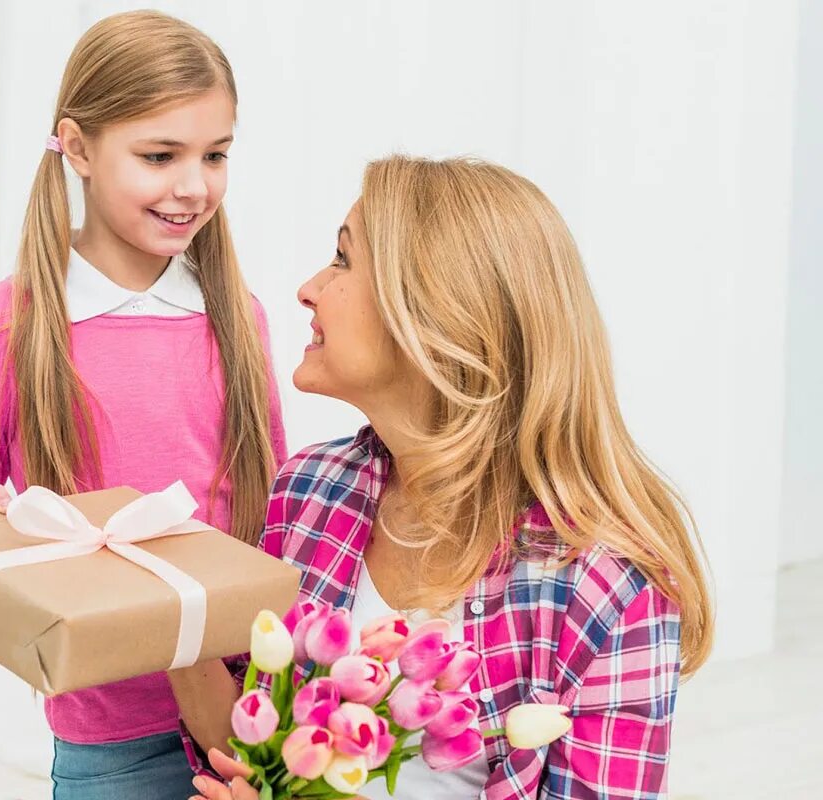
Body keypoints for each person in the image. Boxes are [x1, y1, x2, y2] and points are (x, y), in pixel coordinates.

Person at [171, 156, 712, 800]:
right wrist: (168, 602)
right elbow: (249, 747)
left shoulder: (612, 585)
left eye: (343, 260)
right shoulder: (309, 489)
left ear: (431, 316)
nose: (309, 287)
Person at [0, 11, 286, 799]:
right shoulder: (2, 324)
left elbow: (277, 512)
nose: (193, 186)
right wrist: (2, 531)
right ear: (78, 148)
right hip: (107, 738)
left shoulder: (239, 318)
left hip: (252, 721)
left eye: (215, 155)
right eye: (159, 156)